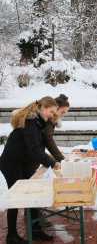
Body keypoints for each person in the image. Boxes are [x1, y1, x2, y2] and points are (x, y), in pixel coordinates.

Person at [0, 96, 61, 244]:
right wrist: (53, 163)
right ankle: (12, 236)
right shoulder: (30, 122)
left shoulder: (40, 122)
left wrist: (58, 159)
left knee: (33, 192)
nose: (52, 115)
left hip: (24, 162)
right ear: (42, 108)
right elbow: (34, 150)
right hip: (12, 163)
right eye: (51, 111)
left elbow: (42, 144)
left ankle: (35, 229)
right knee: (16, 198)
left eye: (54, 112)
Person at [43, 94, 70, 162]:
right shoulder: (47, 120)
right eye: (62, 112)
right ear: (55, 109)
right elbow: (48, 141)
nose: (63, 115)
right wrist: (61, 159)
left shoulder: (51, 120)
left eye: (65, 113)